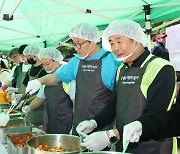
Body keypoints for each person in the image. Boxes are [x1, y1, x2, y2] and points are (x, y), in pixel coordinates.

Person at [76, 20, 177, 153]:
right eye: (111, 43)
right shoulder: (121, 70)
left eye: (119, 41)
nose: (115, 48)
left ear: (136, 40)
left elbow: (156, 115)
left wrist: (111, 135)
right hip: (123, 144)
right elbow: (112, 104)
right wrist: (95, 122)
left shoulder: (161, 68)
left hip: (153, 146)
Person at [25, 23, 120, 135]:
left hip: (102, 125)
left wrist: (112, 134)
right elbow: (55, 77)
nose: (76, 48)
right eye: (74, 44)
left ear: (92, 41)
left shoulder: (112, 61)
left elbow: (119, 101)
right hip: (80, 123)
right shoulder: (76, 61)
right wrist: (39, 81)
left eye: (79, 44)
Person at [22, 47, 74, 134]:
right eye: (43, 65)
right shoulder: (47, 78)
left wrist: (75, 124)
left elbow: (75, 102)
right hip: (51, 119)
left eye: (47, 64)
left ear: (56, 60)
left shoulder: (68, 76)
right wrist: (29, 108)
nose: (45, 67)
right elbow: (39, 98)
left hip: (66, 120)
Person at [18, 44, 47, 128]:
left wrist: (26, 102)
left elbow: (43, 94)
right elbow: (26, 89)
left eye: (28, 57)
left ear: (35, 56)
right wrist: (19, 95)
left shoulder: (44, 70)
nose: (26, 59)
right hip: (31, 106)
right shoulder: (30, 69)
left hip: (41, 107)